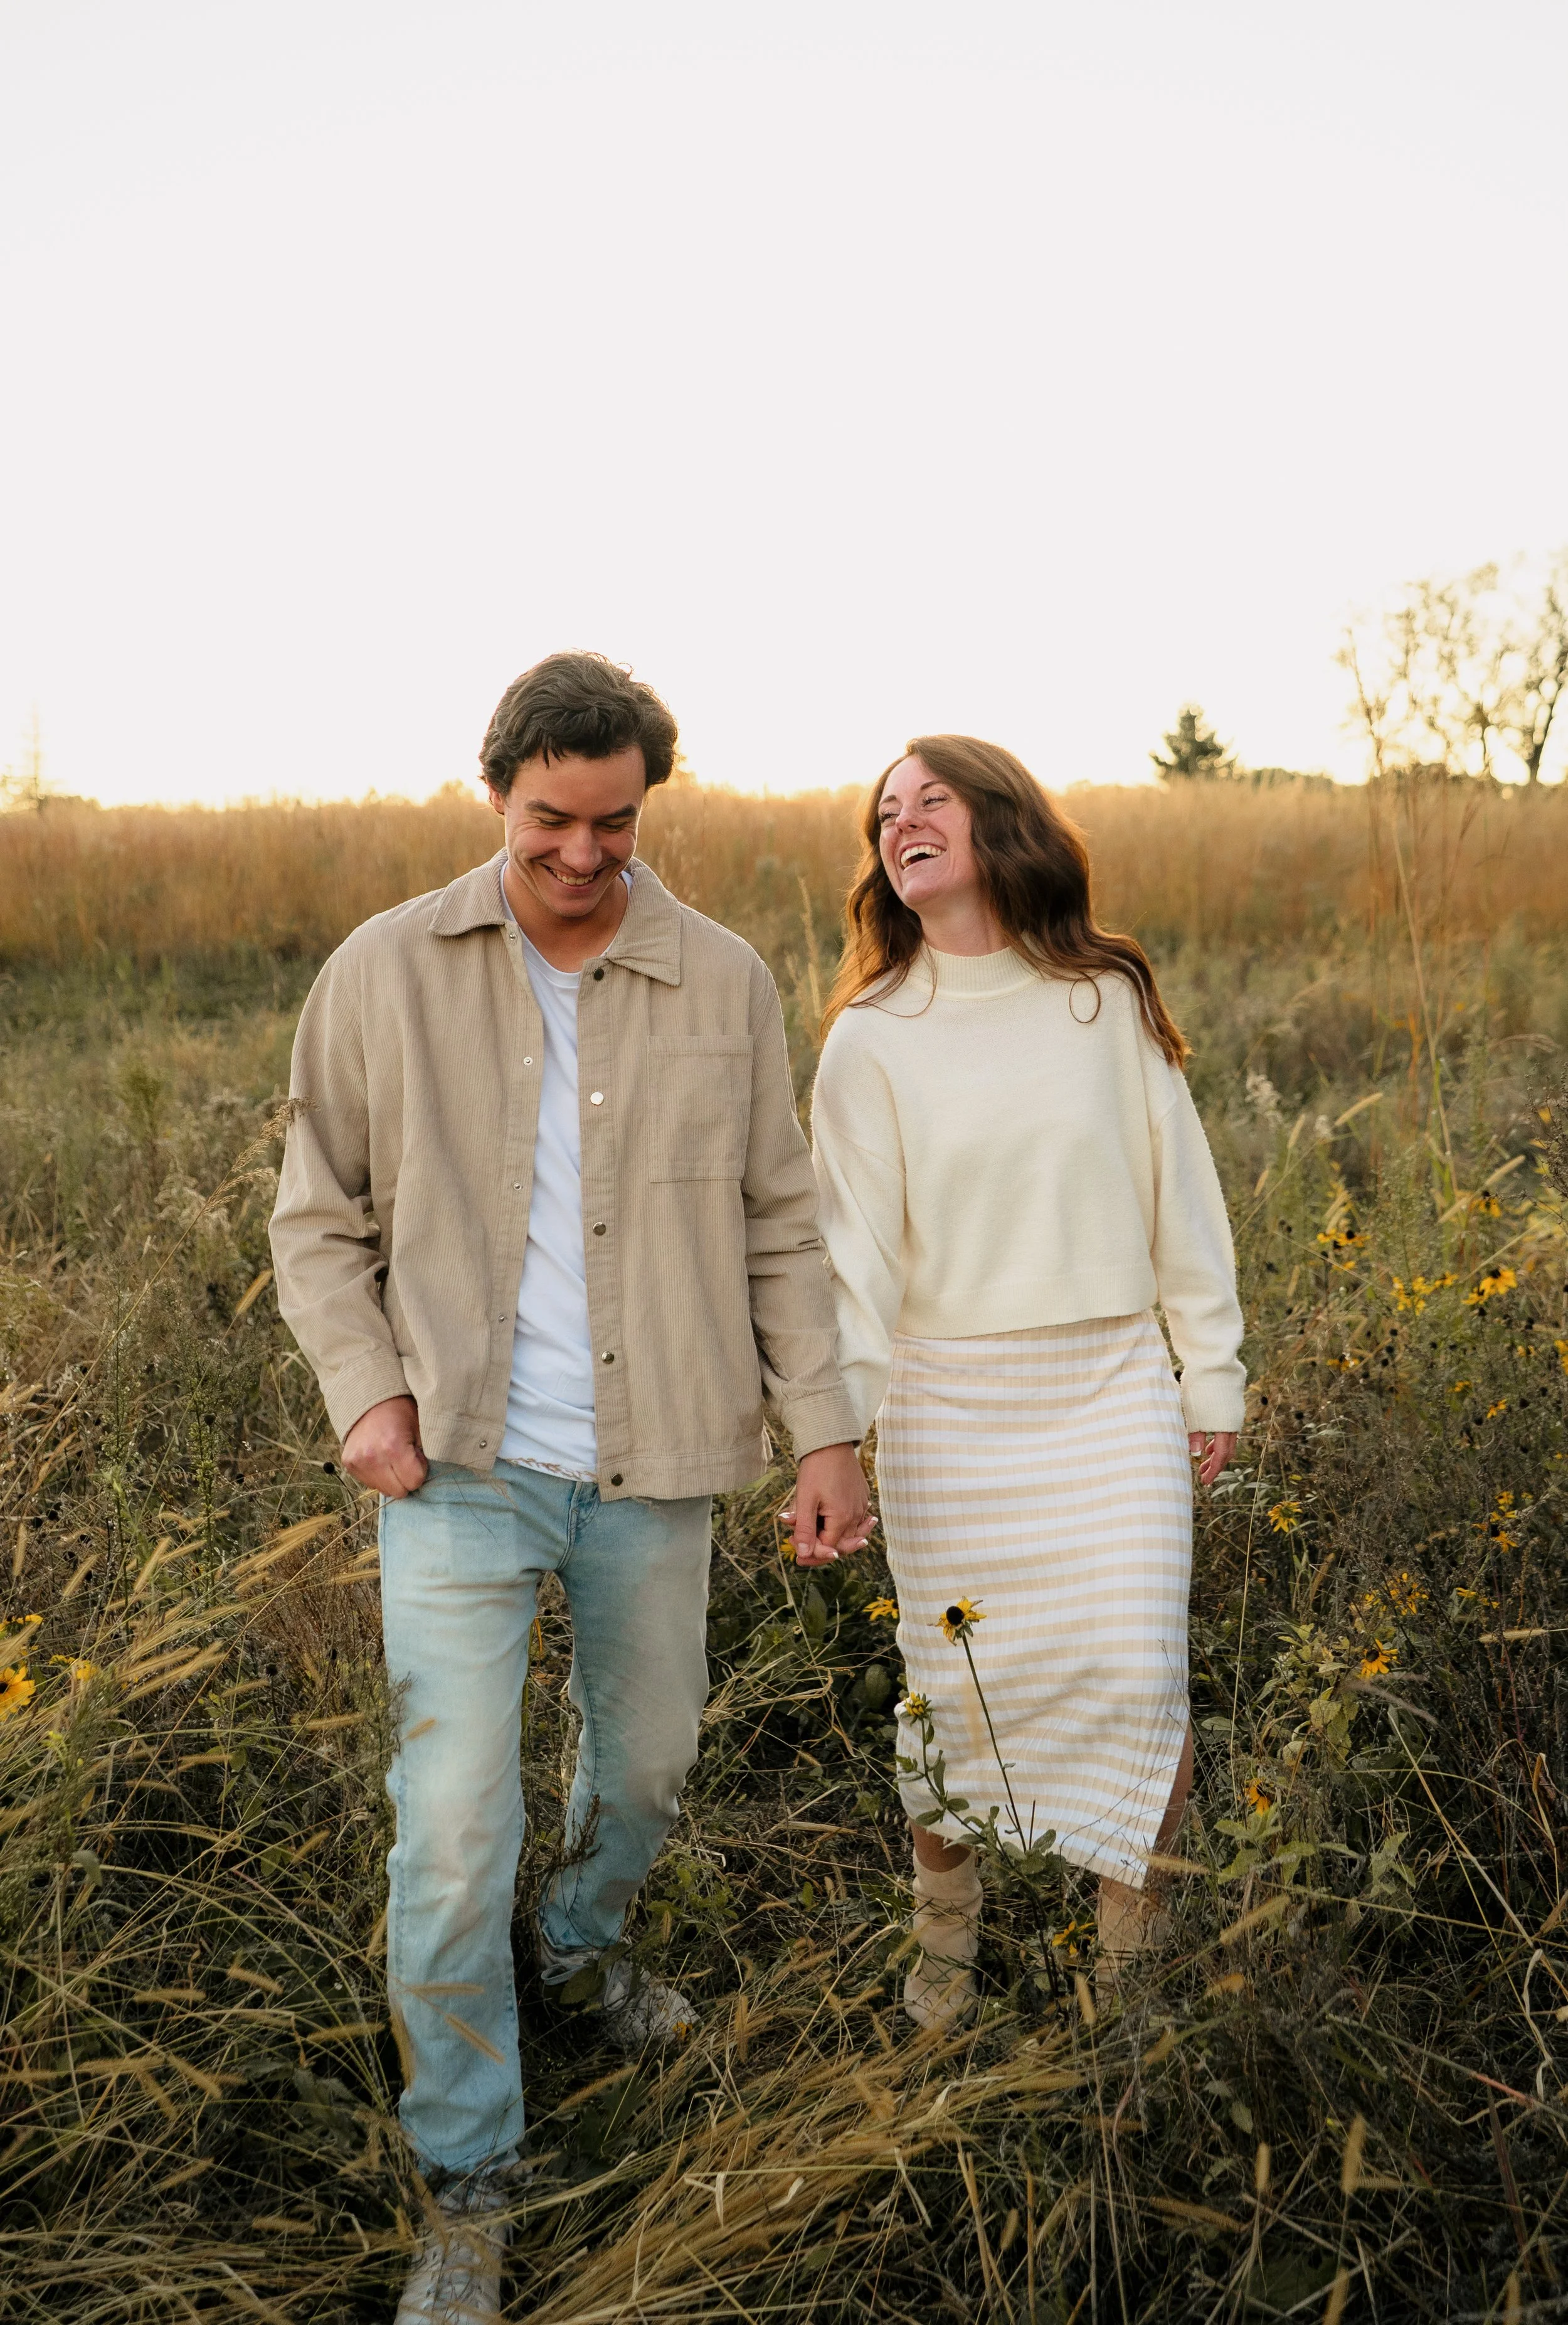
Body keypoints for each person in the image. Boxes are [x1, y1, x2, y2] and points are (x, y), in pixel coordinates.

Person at [270, 652, 869, 2324]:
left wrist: (823, 1428)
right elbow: (316, 1215)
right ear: (496, 795)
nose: (586, 856)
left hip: (658, 1455)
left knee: (654, 1758)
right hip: (452, 1466)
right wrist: (366, 1393)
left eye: (616, 823)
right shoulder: (385, 970)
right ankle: (469, 2172)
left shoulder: (726, 979)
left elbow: (776, 1216)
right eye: (553, 820)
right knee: (453, 1827)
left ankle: (586, 1950)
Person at [807, 735, 1244, 2029]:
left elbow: (1183, 1195)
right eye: (885, 811)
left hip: (1109, 1391)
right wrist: (830, 1434)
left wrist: (1206, 1375)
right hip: (948, 1407)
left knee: (1136, 1675)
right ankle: (942, 1963)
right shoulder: (869, 1039)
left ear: (1000, 819)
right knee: (956, 1695)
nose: (902, 821)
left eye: (929, 796)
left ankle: (1129, 2001)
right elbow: (852, 1264)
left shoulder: (1099, 996)